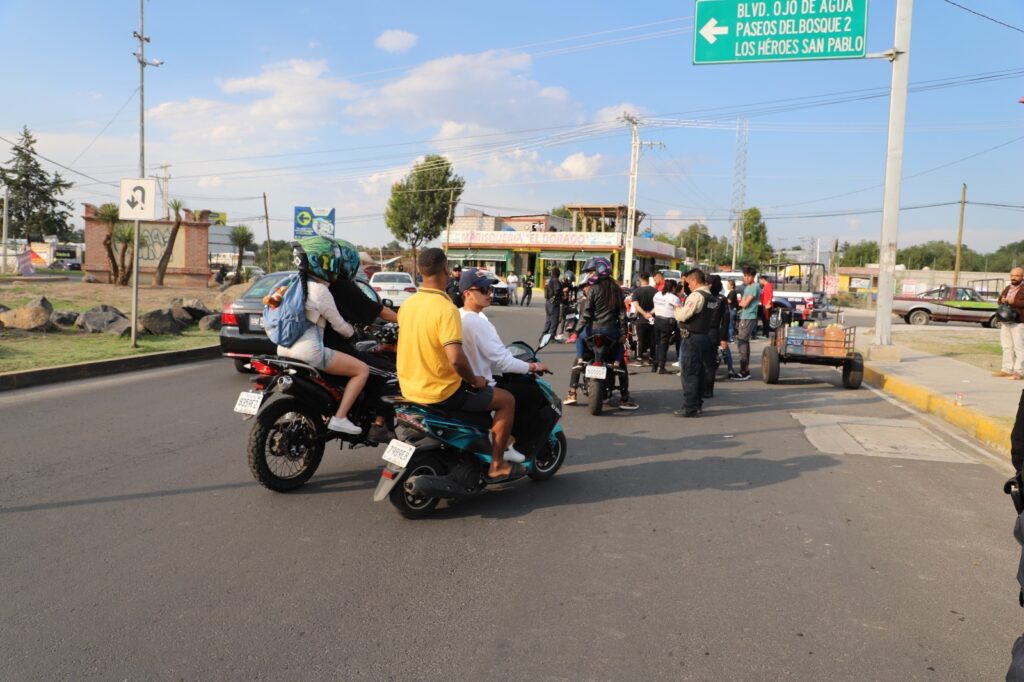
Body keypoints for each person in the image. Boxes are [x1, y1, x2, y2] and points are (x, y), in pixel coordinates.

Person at [397, 248, 518, 481]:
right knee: (506, 400)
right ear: (445, 270)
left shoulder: (408, 305)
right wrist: (476, 380)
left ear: (420, 272)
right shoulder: (446, 309)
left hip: (409, 388)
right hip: (441, 391)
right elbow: (455, 359)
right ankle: (497, 464)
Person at [276, 237, 369, 435]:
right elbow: (340, 326)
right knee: (361, 370)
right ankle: (340, 418)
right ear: (321, 261)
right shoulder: (320, 290)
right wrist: (353, 333)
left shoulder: (289, 284)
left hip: (283, 348)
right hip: (310, 352)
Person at [458, 267, 550, 458]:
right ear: (467, 293)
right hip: (477, 385)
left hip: (462, 383)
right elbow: (505, 362)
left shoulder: (458, 315)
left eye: (490, 289)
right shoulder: (478, 322)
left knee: (512, 385)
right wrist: (533, 366)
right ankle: (507, 446)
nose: (489, 294)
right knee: (533, 394)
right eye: (483, 290)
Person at [563, 257, 638, 410]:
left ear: (598, 272)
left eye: (591, 272)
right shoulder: (617, 290)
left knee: (579, 347)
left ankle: (572, 392)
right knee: (621, 356)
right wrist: (623, 334)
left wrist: (576, 332)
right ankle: (624, 398)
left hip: (591, 331)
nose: (589, 275)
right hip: (611, 331)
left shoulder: (593, 289)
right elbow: (622, 316)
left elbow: (586, 315)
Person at [673, 269, 719, 417]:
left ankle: (690, 407)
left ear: (694, 281)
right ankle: (697, 404)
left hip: (692, 338)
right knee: (699, 373)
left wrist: (677, 309)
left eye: (688, 283)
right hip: (705, 336)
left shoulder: (696, 296)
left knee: (689, 373)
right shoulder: (711, 297)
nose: (688, 286)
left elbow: (683, 315)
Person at [734, 266, 761, 381]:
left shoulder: (755, 287)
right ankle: (745, 370)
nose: (746, 278)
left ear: (752, 276)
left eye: (748, 276)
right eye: (744, 276)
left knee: (742, 342)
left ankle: (744, 371)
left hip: (749, 317)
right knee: (743, 342)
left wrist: (739, 302)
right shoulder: (747, 287)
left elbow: (745, 304)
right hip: (745, 316)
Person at [997, 267, 1024, 380]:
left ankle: (1019, 371)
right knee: (1007, 346)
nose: (1014, 278)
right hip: (1006, 320)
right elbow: (1000, 299)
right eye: (1012, 275)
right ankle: (1007, 369)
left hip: (1018, 321)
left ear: (1022, 277)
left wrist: (1014, 302)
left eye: (1017, 276)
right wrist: (1002, 300)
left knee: (1019, 347)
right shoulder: (1008, 288)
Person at [652, 279, 681, 374]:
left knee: (657, 344)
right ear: (673, 287)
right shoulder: (674, 298)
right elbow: (678, 310)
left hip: (657, 320)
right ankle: (661, 366)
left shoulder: (657, 294)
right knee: (664, 345)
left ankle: (654, 366)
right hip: (668, 322)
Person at [631, 272, 657, 366]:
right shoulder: (655, 291)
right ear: (648, 279)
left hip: (641, 319)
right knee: (652, 339)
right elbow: (658, 305)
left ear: (640, 279)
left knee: (640, 339)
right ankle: (652, 358)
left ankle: (639, 359)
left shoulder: (637, 291)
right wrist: (650, 313)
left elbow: (636, 306)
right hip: (653, 319)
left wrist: (644, 314)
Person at [541, 267, 562, 341]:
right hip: (554, 303)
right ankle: (551, 337)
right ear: (558, 273)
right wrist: (563, 293)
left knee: (548, 320)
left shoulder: (550, 280)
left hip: (548, 302)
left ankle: (543, 336)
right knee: (554, 320)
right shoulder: (556, 280)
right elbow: (557, 291)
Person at [758, 274, 775, 339]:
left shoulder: (768, 285)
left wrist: (768, 304)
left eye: (760, 280)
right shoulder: (765, 286)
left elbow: (770, 296)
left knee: (766, 320)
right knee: (764, 320)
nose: (760, 282)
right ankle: (764, 333)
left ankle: (766, 334)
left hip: (767, 305)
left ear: (763, 279)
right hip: (764, 305)